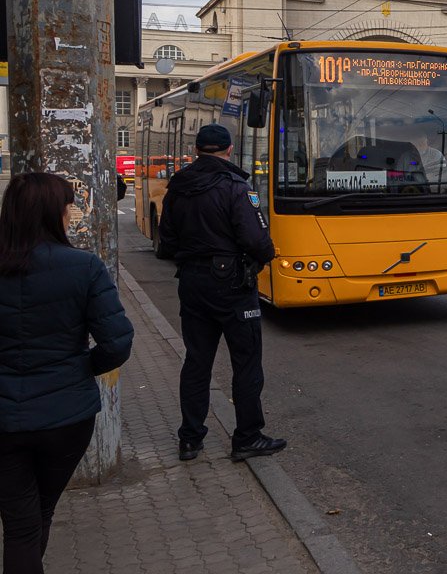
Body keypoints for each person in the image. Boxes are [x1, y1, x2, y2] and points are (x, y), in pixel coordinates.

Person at [0, 173, 134, 574]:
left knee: (21, 524)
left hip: (4, 423)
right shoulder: (83, 267)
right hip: (65, 417)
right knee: (39, 512)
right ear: (52, 214)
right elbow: (117, 343)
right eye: (65, 207)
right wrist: (79, 370)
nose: (69, 213)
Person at [156, 124, 284, 463]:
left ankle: (190, 439)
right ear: (228, 150)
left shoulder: (178, 188)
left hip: (192, 283)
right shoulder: (235, 187)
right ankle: (247, 437)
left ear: (197, 149)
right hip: (233, 285)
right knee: (246, 361)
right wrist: (265, 255)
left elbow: (165, 244)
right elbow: (257, 241)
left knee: (197, 361)